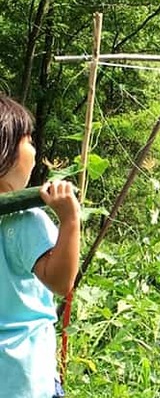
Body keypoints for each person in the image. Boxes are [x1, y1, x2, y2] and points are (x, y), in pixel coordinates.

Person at [0, 94, 81, 398]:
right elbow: (61, 281)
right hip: (27, 380)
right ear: (5, 151)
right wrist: (70, 221)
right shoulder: (24, 221)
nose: (34, 150)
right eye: (29, 141)